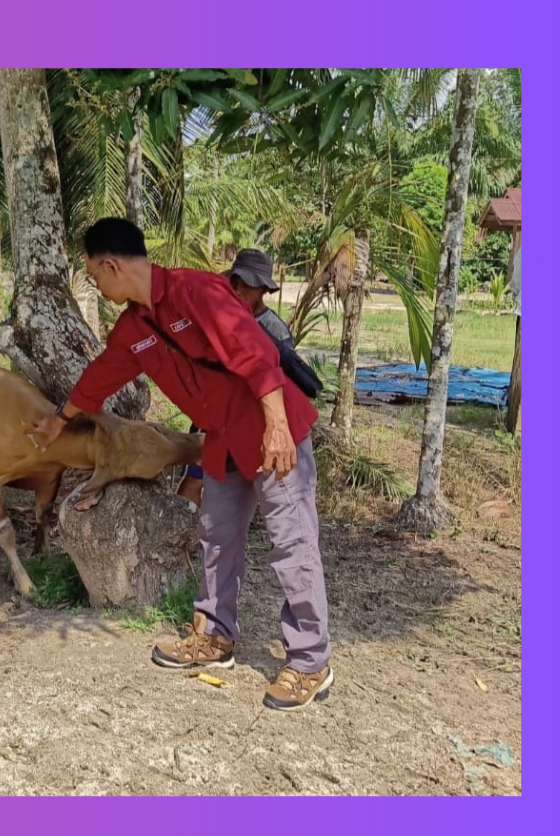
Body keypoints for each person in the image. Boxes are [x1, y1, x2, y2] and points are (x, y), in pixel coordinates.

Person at [26, 218, 333, 710]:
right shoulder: (133, 329)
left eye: (94, 275)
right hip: (223, 441)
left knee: (291, 543)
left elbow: (255, 354)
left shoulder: (197, 291)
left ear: (111, 265)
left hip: (273, 430)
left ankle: (310, 660)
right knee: (216, 536)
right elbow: (102, 375)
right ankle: (213, 636)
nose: (97, 286)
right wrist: (58, 421)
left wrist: (278, 426)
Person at [179, 248, 323, 506]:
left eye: (250, 286)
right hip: (213, 417)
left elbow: (277, 382)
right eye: (237, 283)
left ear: (264, 290)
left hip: (252, 421)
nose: (241, 290)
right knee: (194, 480)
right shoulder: (219, 314)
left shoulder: (274, 329)